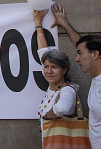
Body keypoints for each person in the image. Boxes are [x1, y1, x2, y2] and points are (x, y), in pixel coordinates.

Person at [49, 3, 101, 149]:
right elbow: (82, 44)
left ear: (95, 55)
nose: (76, 59)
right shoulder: (99, 77)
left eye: (79, 54)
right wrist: (63, 23)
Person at [33, 9, 84, 147]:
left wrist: (48, 116)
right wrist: (38, 25)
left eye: (54, 67)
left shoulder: (67, 90)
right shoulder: (52, 89)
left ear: (64, 70)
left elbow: (62, 108)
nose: (49, 71)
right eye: (46, 66)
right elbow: (43, 53)